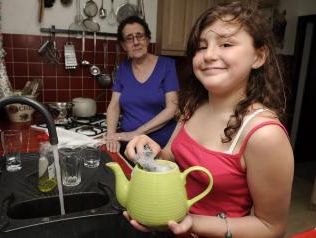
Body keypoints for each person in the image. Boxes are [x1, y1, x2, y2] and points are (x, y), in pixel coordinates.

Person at [124, 2, 294, 238]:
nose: (209, 55)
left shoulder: (264, 134)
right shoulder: (192, 107)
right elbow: (171, 160)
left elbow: (271, 227)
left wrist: (193, 223)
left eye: (226, 44)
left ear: (258, 56)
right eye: (201, 47)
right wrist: (150, 153)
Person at [105, 16, 180, 155]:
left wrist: (136, 133)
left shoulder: (167, 65)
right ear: (123, 45)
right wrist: (111, 136)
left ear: (147, 39)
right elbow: (114, 105)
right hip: (129, 147)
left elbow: (172, 109)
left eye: (140, 36)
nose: (136, 42)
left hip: (160, 147)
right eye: (129, 38)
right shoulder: (123, 69)